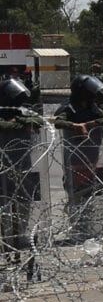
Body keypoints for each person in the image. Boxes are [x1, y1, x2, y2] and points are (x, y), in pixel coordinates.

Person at [54, 75, 103, 242]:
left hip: (92, 155)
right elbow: (59, 122)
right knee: (76, 194)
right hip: (74, 158)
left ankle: (86, 227)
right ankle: (76, 229)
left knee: (90, 193)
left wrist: (91, 124)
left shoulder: (92, 107)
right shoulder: (69, 107)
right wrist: (75, 126)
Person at [0, 78, 45, 259]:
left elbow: (38, 120)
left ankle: (21, 235)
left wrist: (19, 119)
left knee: (23, 203)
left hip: (23, 166)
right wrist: (22, 123)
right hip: (3, 168)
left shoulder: (22, 111)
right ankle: (8, 239)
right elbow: (4, 125)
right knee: (4, 205)